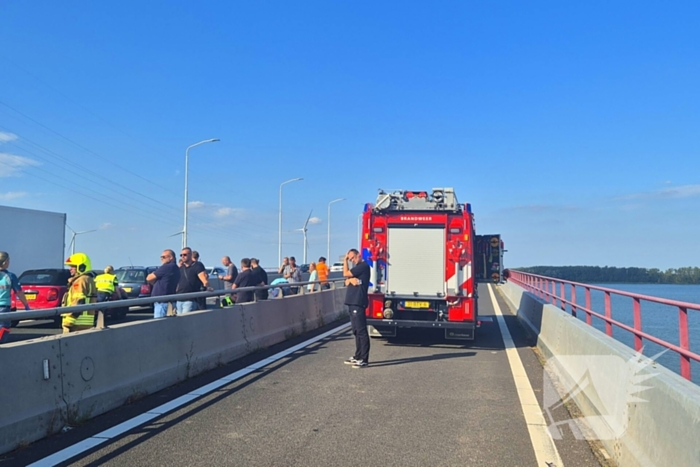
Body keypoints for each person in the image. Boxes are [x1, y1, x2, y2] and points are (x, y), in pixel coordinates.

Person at [343, 248, 371, 368]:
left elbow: (346, 273)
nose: (352, 261)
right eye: (350, 259)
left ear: (358, 255)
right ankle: (357, 355)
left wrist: (344, 261)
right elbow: (346, 280)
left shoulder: (363, 266)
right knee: (355, 331)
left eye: (353, 258)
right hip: (352, 302)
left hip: (358, 301)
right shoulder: (357, 267)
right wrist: (350, 280)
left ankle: (364, 358)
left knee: (361, 330)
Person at [61, 252, 97, 333]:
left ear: (81, 267)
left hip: (76, 323)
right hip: (84, 322)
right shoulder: (88, 279)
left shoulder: (80, 281)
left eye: (73, 266)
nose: (70, 269)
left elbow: (79, 301)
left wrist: (69, 321)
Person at [0, 251, 30, 343]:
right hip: (4, 307)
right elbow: (19, 293)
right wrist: (26, 306)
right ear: (5, 262)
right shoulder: (10, 276)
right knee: (3, 329)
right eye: (9, 260)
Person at [175, 247, 211, 314]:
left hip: (190, 299)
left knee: (185, 320)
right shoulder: (181, 268)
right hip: (179, 298)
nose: (182, 256)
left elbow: (203, 278)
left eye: (185, 255)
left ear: (190, 255)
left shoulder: (197, 266)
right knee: (180, 322)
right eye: (181, 255)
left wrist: (207, 286)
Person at [147, 249, 181, 318]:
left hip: (162, 301)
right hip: (169, 300)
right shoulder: (176, 268)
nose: (161, 259)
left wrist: (153, 273)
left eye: (163, 257)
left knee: (159, 324)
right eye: (161, 257)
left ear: (171, 257)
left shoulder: (167, 267)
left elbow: (149, 278)